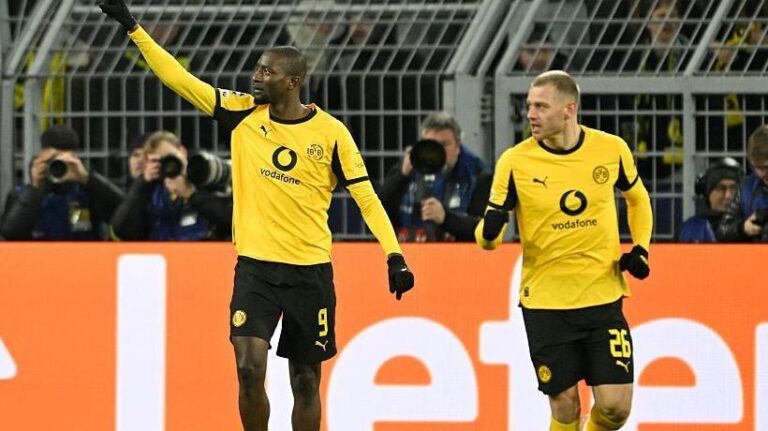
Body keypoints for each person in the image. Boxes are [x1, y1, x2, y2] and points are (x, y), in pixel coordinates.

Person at [98, 2, 414, 431]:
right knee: (248, 368)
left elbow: (367, 198)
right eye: (257, 68)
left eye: (267, 71)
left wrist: (394, 255)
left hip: (309, 272)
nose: (256, 77)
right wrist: (132, 26)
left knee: (305, 381)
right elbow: (180, 79)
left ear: (293, 82)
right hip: (256, 270)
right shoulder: (243, 113)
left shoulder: (332, 134)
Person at [476, 71, 653, 431]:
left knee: (616, 408)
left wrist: (641, 247)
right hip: (546, 303)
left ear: (569, 109)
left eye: (541, 106)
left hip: (602, 296)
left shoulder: (611, 149)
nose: (531, 114)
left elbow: (638, 199)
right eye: (529, 106)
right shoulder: (514, 162)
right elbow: (488, 239)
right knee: (565, 405)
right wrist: (489, 231)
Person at [0, 125, 124, 240]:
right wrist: (35, 188)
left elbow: (123, 218)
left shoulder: (86, 192)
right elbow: (10, 233)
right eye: (52, 160)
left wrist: (88, 179)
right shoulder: (22, 193)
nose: (58, 166)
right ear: (41, 157)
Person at [379, 111, 489, 242]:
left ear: (457, 146)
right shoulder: (410, 165)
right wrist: (401, 176)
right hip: (409, 249)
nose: (437, 151)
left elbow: (486, 230)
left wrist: (445, 218)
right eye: (431, 145)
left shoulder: (476, 172)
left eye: (444, 144)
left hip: (457, 251)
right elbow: (375, 212)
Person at [110, 130, 233, 241]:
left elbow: (232, 222)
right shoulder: (148, 190)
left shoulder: (206, 176)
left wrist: (191, 194)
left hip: (205, 254)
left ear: (182, 152)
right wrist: (143, 184)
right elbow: (121, 231)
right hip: (163, 254)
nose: (169, 165)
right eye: (157, 161)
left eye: (171, 157)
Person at [678, 157, 744, 242]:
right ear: (707, 193)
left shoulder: (748, 227)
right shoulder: (690, 230)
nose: (728, 196)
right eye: (721, 188)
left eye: (733, 188)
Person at [740, 125, 768, 242]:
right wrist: (743, 227)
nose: (762, 174)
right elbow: (723, 229)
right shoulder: (747, 186)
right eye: (757, 167)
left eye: (766, 167)